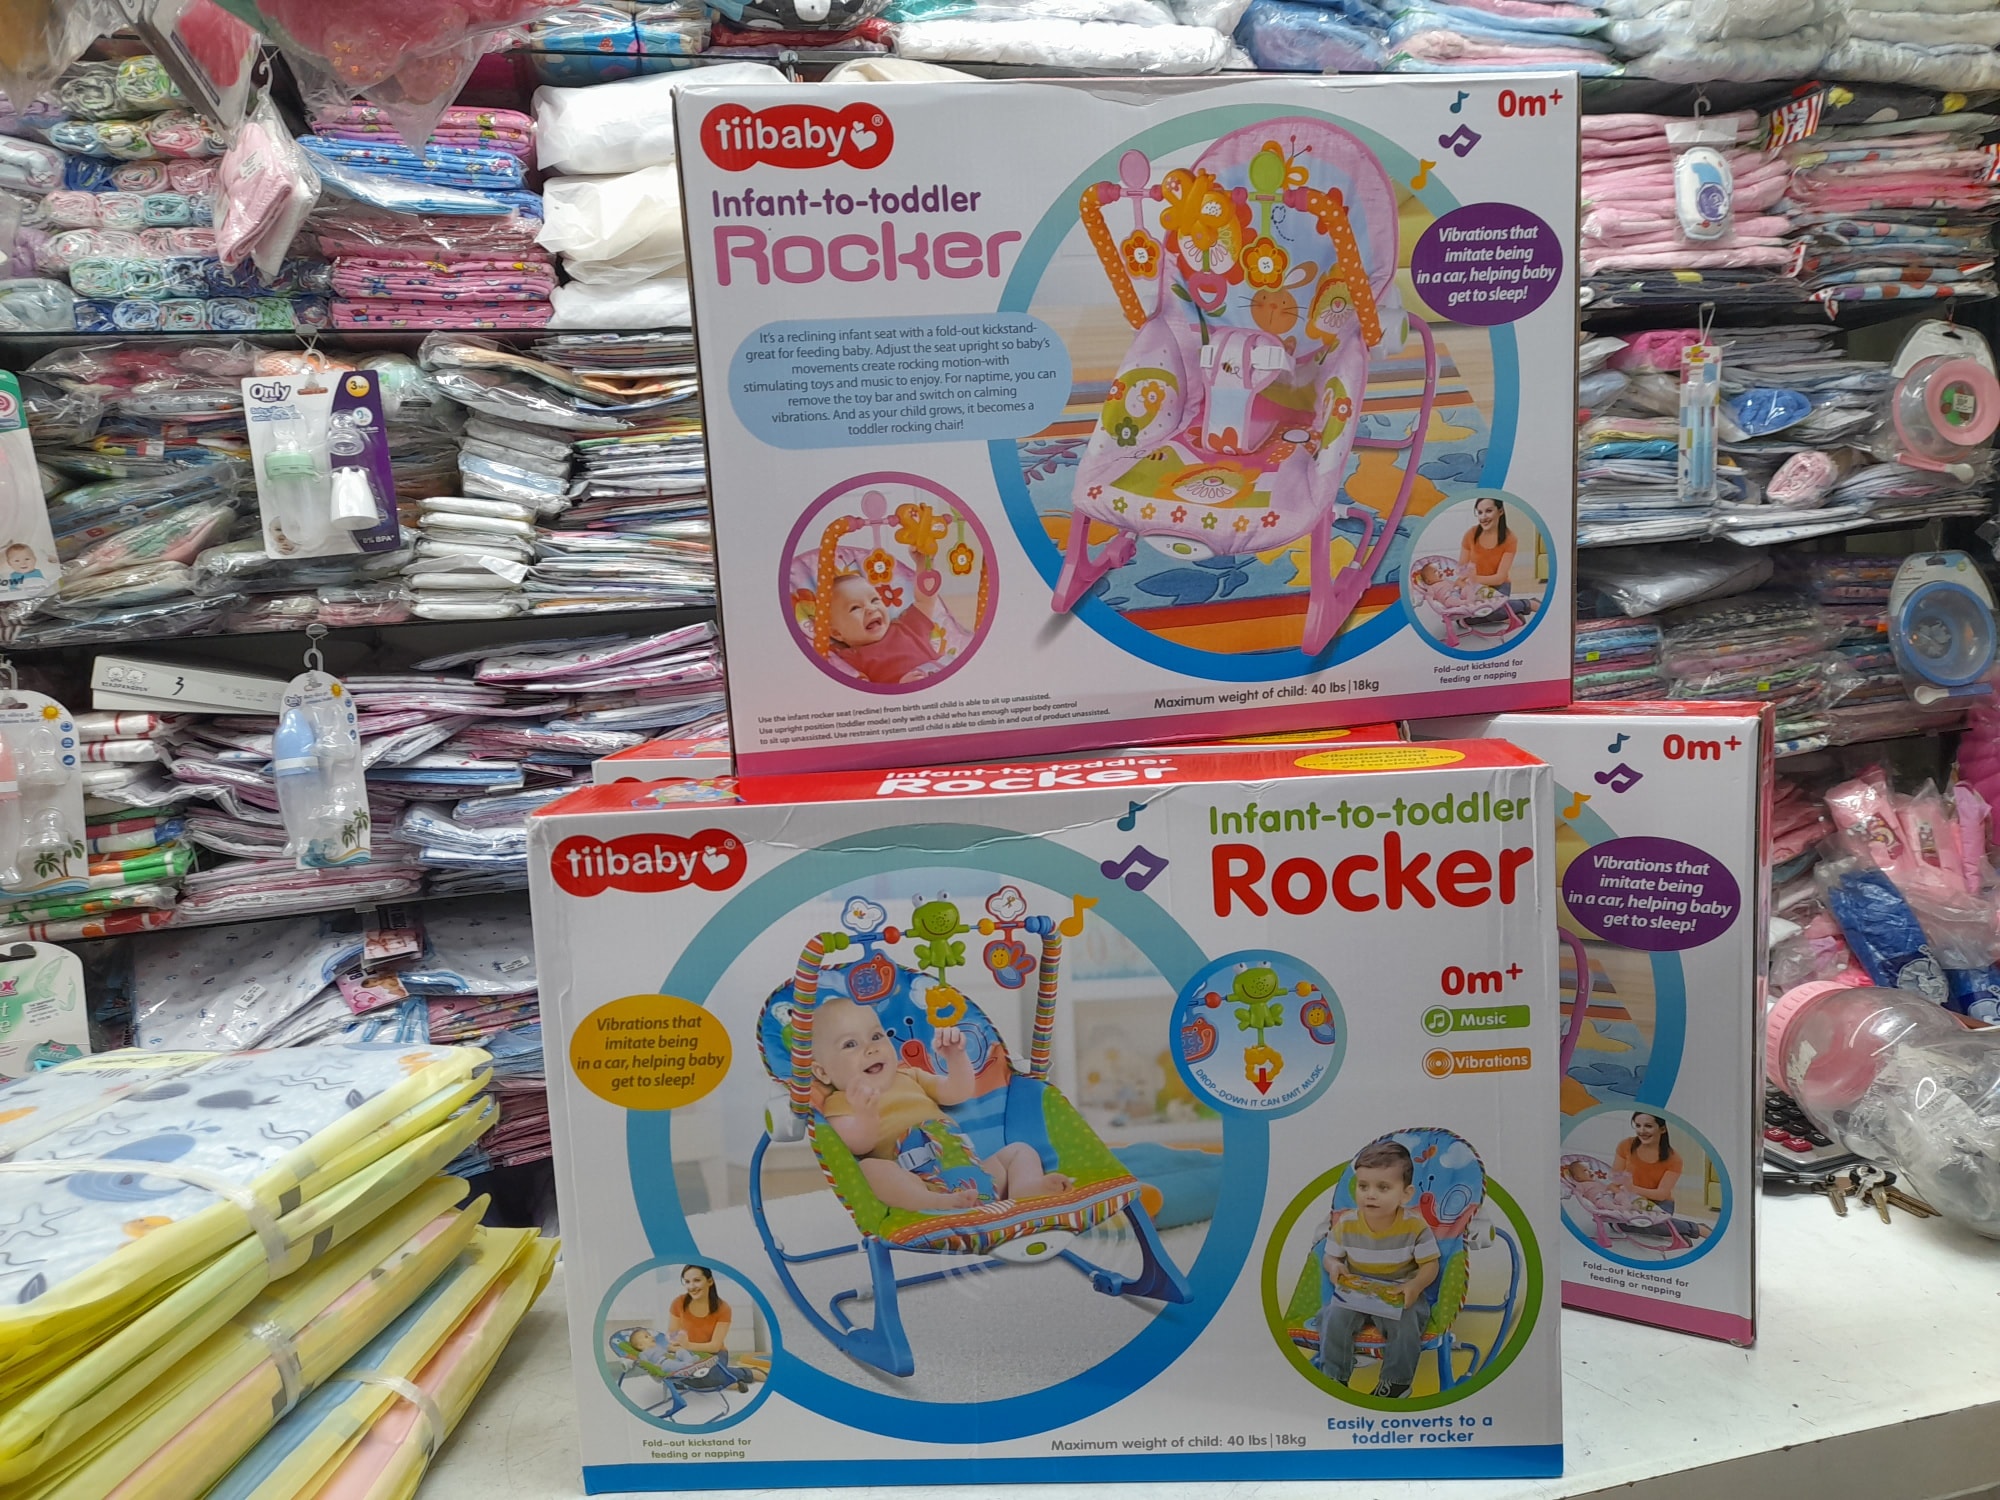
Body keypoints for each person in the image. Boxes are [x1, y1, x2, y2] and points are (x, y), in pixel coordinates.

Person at [810, 995, 1071, 1211]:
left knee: (1020, 1151)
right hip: (916, 1179)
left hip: (972, 1168)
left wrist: (956, 1058)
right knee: (871, 1169)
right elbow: (855, 1145)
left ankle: (1024, 1188)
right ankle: (935, 1203)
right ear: (823, 1073)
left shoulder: (909, 1075)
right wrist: (864, 1114)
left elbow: (957, 1092)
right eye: (850, 1044)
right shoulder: (840, 1101)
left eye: (877, 1036)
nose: (871, 1048)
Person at [1317, 1139, 1440, 1399]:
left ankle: (1396, 1383)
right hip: (1357, 1287)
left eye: (1383, 1187)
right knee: (1333, 1316)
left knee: (1407, 1322)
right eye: (1363, 1186)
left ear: (1405, 1194)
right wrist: (1335, 1265)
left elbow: (1430, 1265)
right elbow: (1330, 1256)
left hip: (1398, 1288)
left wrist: (1415, 1285)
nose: (1370, 1194)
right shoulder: (1346, 1223)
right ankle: (1334, 1376)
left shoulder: (1414, 1226)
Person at [823, 573, 941, 684]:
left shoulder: (906, 625)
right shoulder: (852, 659)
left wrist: (924, 564)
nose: (871, 609)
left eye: (874, 600)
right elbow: (861, 693)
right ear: (837, 633)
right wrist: (900, 688)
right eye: (855, 608)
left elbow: (926, 599)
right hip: (906, 696)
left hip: (941, 681)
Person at [1614, 1112, 1683, 1211]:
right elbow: (1614, 1181)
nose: (1642, 1131)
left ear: (1662, 1129)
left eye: (1648, 1126)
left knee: (1642, 1218)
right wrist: (1623, 1196)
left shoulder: (1674, 1158)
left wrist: (1632, 1189)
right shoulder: (1626, 1145)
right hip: (1629, 1198)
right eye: (1638, 1125)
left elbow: (1661, 1194)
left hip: (1660, 1203)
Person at [666, 1264, 733, 1357]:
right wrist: (677, 1346)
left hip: (715, 1355)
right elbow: (672, 1338)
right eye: (687, 1282)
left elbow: (715, 1347)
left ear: (710, 1281)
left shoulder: (723, 1308)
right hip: (687, 1353)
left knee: (705, 1368)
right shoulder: (678, 1303)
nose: (691, 1287)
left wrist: (687, 1345)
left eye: (697, 1280)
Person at [1458, 494, 1517, 593]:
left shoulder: (1510, 539)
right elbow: (1462, 569)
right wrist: (1465, 584)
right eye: (1480, 512)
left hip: (1499, 587)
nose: (1483, 517)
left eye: (1489, 511)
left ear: (1500, 511)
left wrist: (1473, 578)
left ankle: (1527, 601)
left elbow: (1500, 578)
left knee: (1491, 604)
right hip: (1474, 585)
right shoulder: (1471, 534)